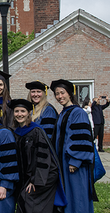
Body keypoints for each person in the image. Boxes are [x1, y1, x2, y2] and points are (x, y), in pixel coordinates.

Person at [50, 79, 94, 213]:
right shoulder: (63, 113)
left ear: (70, 93)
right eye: (57, 94)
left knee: (77, 195)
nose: (59, 96)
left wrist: (76, 161)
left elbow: (82, 138)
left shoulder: (78, 112)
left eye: (62, 93)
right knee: (68, 195)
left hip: (74, 164)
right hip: (63, 162)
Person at [8, 99, 59, 213]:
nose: (19, 114)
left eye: (23, 111)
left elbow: (43, 158)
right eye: (16, 111)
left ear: (29, 113)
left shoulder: (36, 131)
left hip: (43, 176)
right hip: (27, 176)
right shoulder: (15, 132)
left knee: (28, 199)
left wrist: (35, 180)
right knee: (21, 199)